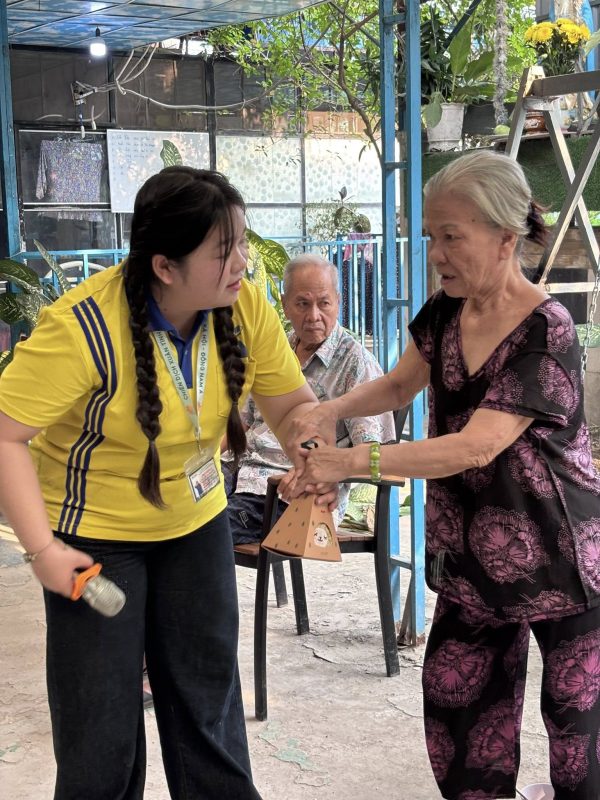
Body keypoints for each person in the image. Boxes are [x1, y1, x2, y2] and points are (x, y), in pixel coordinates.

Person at [0, 166, 328, 800]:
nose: (242, 262)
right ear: (165, 267)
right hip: (93, 538)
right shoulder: (82, 328)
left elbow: (293, 406)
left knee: (208, 704)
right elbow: (5, 435)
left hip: (195, 522)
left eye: (242, 241)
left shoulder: (242, 306)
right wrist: (42, 550)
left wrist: (314, 459)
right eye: (224, 250)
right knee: (101, 730)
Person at [285, 150, 600, 800]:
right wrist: (329, 409)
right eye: (431, 236)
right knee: (459, 722)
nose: (436, 254)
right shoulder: (445, 311)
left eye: (451, 236)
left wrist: (351, 460)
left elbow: (475, 447)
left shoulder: (547, 330)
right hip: (472, 560)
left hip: (562, 559)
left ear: (506, 236)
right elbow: (400, 384)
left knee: (579, 745)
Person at [223, 253, 395, 544]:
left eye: (324, 303)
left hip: (291, 491)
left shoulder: (356, 362)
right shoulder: (277, 348)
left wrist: (326, 470)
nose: (314, 316)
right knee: (181, 511)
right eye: (302, 304)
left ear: (338, 302)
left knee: (202, 536)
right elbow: (243, 425)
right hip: (238, 474)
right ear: (285, 304)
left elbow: (370, 447)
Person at [341, 214, 374, 333]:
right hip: (364, 271)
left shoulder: (352, 239)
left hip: (357, 272)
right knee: (364, 298)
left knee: (355, 298)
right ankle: (365, 327)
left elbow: (348, 255)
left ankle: (353, 327)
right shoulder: (370, 240)